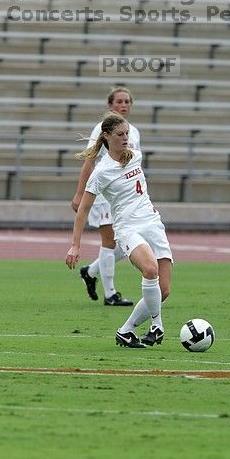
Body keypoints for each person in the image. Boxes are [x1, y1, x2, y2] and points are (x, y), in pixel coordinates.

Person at [66, 112, 173, 348]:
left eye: (127, 134)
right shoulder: (101, 172)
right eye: (120, 134)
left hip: (153, 224)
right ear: (106, 136)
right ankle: (157, 325)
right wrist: (75, 245)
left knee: (163, 290)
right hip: (128, 227)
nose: (126, 138)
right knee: (149, 268)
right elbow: (83, 211)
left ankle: (126, 331)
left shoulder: (135, 155)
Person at [71, 86, 140, 306]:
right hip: (104, 193)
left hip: (125, 196)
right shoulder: (101, 129)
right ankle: (110, 294)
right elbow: (89, 161)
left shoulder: (134, 132)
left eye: (127, 101)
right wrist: (80, 193)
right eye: (119, 101)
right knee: (109, 241)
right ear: (110, 105)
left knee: (127, 241)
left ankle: (90, 271)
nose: (123, 105)